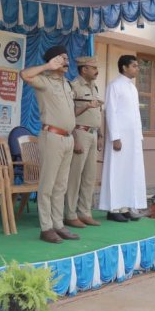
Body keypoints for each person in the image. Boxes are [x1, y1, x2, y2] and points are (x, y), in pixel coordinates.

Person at [19, 46, 80, 243]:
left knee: (61, 185)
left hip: (68, 138)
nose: (66, 61)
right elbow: (24, 75)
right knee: (47, 185)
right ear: (53, 61)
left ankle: (58, 225)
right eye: (62, 58)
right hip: (51, 137)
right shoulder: (44, 81)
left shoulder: (68, 84)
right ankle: (46, 228)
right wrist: (46, 65)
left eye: (67, 58)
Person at [99, 55, 146, 222]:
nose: (137, 69)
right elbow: (110, 112)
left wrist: (139, 136)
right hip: (119, 138)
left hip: (133, 139)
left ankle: (125, 206)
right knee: (116, 172)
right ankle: (113, 208)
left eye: (137, 66)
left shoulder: (133, 88)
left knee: (130, 172)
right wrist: (115, 137)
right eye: (134, 66)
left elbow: (136, 115)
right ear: (124, 67)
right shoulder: (114, 86)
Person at [64, 56, 103, 228]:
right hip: (80, 133)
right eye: (93, 68)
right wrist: (74, 137)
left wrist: (100, 135)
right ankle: (70, 214)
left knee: (89, 176)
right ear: (84, 69)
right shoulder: (74, 86)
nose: (96, 71)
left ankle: (85, 212)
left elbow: (97, 113)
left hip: (93, 134)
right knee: (75, 176)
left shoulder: (94, 87)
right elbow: (68, 114)